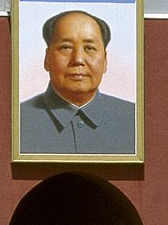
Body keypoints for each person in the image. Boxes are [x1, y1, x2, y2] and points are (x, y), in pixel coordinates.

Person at [18, 10, 137, 156]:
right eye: (66, 47)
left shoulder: (135, 120)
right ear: (47, 58)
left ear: (105, 60)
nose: (78, 59)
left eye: (89, 48)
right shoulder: (17, 121)